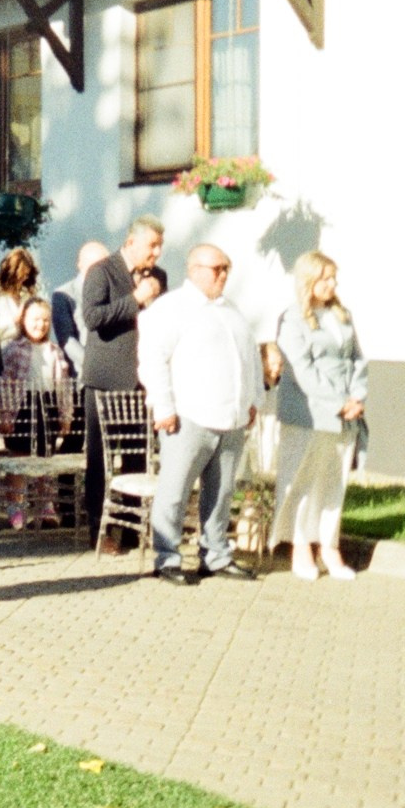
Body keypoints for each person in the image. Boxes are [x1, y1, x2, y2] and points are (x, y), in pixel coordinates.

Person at [138, 244, 260, 585]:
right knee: (175, 491)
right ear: (194, 269)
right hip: (188, 416)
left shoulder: (232, 310)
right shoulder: (171, 308)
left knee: (221, 494)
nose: (222, 275)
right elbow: (152, 359)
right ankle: (167, 557)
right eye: (216, 269)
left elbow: (249, 359)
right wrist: (163, 406)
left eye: (226, 269)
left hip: (231, 417)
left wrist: (253, 400)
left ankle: (216, 555)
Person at [272, 251, 370, 581]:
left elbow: (357, 358)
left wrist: (357, 396)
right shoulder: (292, 319)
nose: (333, 284)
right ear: (309, 281)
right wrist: (339, 402)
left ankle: (329, 546)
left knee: (333, 481)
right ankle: (300, 545)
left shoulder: (343, 315)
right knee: (301, 479)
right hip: (309, 413)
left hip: (345, 413)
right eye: (326, 278)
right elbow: (303, 369)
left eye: (334, 278)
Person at [80, 218, 167, 550]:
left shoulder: (158, 277)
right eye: (152, 246)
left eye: (160, 246)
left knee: (138, 458)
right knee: (100, 461)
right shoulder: (102, 271)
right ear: (132, 242)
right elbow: (92, 318)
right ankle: (98, 534)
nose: (157, 253)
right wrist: (136, 298)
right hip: (104, 380)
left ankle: (131, 530)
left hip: (141, 380)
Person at [0, 297, 73, 528]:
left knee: (45, 458)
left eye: (44, 320)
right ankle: (15, 505)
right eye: (35, 319)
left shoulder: (54, 351)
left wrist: (65, 415)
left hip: (47, 405)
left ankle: (45, 505)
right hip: (21, 407)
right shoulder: (13, 349)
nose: (40, 325)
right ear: (23, 320)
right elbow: (4, 385)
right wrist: (3, 416)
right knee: (19, 458)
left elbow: (63, 385)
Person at [51, 240, 109, 377]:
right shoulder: (63, 294)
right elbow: (67, 341)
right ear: (80, 264)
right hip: (82, 376)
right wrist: (96, 367)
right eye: (93, 265)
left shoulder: (115, 293)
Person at [0, 247, 41, 350]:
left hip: (29, 351)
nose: (23, 279)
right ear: (11, 273)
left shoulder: (28, 296)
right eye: (20, 275)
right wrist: (16, 321)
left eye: (26, 275)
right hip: (4, 352)